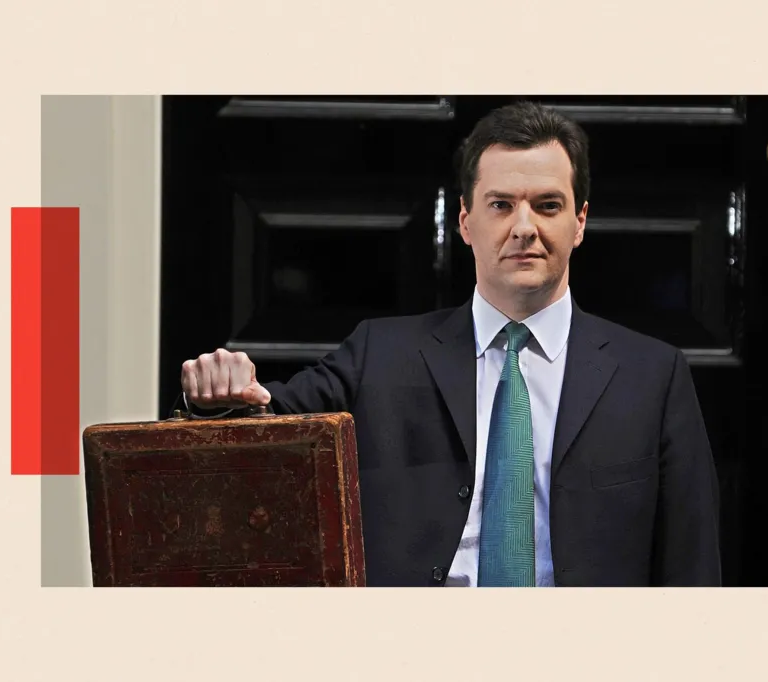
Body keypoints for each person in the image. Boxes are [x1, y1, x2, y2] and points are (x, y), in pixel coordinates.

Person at [180, 101, 721, 587]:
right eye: (501, 204)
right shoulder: (380, 354)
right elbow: (269, 428)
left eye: (548, 205)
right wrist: (221, 396)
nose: (524, 227)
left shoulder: (653, 374)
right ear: (465, 221)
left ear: (580, 222)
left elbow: (691, 565)